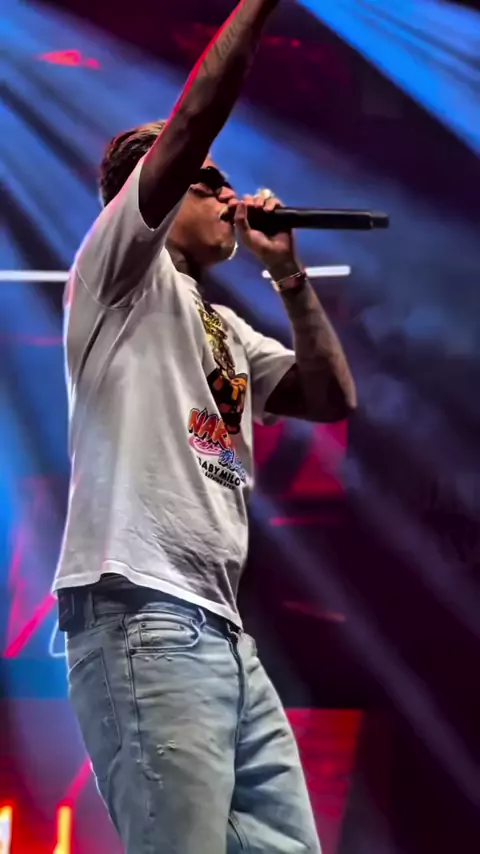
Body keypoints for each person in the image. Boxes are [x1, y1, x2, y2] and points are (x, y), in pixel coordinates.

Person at [53, 0, 357, 851]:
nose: (230, 195)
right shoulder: (119, 271)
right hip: (142, 610)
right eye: (208, 183)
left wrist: (289, 276)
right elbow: (191, 121)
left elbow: (329, 397)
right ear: (149, 194)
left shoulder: (221, 326)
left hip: (219, 629)